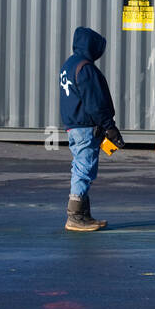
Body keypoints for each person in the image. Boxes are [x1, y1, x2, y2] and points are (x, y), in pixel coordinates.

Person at [59, 27, 125, 232]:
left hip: (74, 126)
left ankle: (83, 213)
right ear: (91, 46)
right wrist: (109, 127)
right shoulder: (85, 68)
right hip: (86, 127)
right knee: (84, 168)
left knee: (81, 166)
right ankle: (76, 216)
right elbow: (95, 103)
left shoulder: (69, 65)